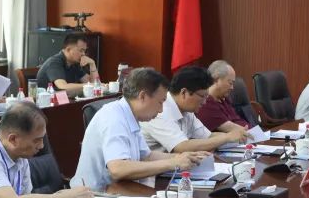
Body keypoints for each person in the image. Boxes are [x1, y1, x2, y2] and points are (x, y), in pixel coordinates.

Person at [74, 68, 209, 189]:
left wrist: (182, 157)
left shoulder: (130, 115)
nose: (161, 110)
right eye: (160, 102)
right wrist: (172, 163)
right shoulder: (113, 117)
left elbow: (147, 156)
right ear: (142, 96)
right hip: (94, 197)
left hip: (121, 191)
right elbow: (118, 169)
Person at [141, 66, 249, 153]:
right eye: (202, 96)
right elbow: (181, 146)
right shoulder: (160, 110)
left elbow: (208, 136)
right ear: (184, 93)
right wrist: (227, 137)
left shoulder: (187, 110)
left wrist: (237, 135)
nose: (205, 102)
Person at [196, 60, 253, 135]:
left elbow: (236, 119)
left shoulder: (223, 98)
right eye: (230, 83)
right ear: (216, 80)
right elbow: (236, 129)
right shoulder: (206, 103)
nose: (232, 87)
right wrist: (257, 133)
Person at [35, 32, 99, 94]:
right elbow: (63, 87)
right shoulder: (54, 62)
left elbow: (93, 83)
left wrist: (92, 64)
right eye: (81, 50)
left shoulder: (74, 63)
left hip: (68, 99)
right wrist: (91, 85)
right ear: (68, 49)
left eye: (84, 51)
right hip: (48, 100)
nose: (83, 54)